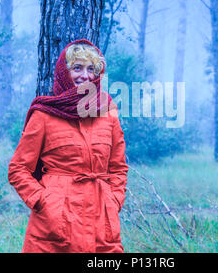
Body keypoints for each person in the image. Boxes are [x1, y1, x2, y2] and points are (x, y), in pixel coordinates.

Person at [8, 39, 128, 253]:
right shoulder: (44, 114)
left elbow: (118, 167)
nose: (85, 75)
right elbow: (18, 169)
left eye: (91, 69)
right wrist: (44, 201)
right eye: (77, 68)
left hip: (102, 219)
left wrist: (114, 199)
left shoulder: (108, 112)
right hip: (53, 225)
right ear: (64, 73)